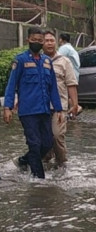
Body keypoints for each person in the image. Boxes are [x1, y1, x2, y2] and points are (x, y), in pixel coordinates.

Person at [3, 27, 63, 179]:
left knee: (48, 143)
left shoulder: (47, 62)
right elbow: (11, 85)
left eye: (40, 41)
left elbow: (53, 88)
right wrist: (7, 107)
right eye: (34, 40)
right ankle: (39, 180)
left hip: (44, 110)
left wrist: (59, 109)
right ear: (28, 40)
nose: (37, 42)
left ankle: (24, 160)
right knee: (35, 144)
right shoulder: (21, 60)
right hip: (28, 112)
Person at [41, 30, 79, 168]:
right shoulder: (38, 60)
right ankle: (45, 162)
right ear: (41, 43)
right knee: (43, 138)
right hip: (41, 107)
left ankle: (62, 164)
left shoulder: (64, 61)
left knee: (57, 136)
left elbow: (71, 83)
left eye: (52, 40)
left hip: (59, 107)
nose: (50, 43)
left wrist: (75, 104)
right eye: (46, 41)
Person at [58, 33, 82, 115]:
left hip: (68, 75)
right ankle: (73, 113)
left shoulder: (64, 48)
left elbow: (57, 58)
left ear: (61, 39)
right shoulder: (71, 48)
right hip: (75, 74)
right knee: (69, 95)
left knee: (65, 94)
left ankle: (77, 108)